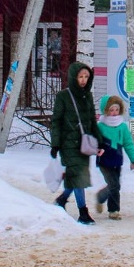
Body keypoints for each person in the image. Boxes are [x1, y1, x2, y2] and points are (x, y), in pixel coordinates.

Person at [49, 61, 99, 225]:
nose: (83, 80)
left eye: (86, 76)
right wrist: (55, 144)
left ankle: (62, 199)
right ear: (73, 77)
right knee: (79, 176)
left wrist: (99, 142)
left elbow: (91, 120)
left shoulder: (87, 96)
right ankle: (83, 213)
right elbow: (56, 121)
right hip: (68, 143)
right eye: (80, 77)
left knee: (76, 175)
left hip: (84, 143)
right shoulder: (63, 96)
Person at [94, 95, 134, 220]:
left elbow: (128, 143)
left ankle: (101, 197)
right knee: (113, 185)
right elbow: (94, 142)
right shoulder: (101, 126)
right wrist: (97, 148)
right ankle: (114, 211)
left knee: (115, 186)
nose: (114, 113)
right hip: (104, 161)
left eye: (116, 109)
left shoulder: (123, 126)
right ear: (106, 111)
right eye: (111, 110)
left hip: (117, 160)